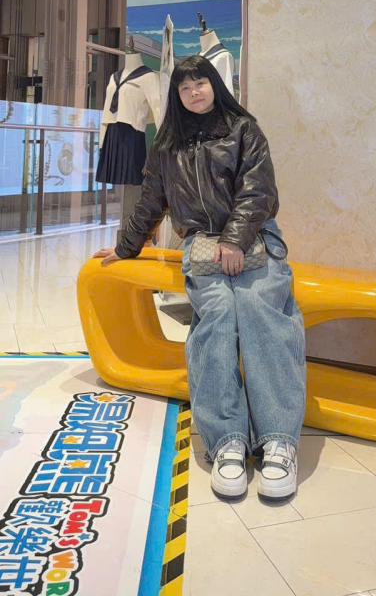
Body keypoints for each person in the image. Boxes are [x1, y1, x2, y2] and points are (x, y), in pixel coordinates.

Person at [94, 55, 306, 500]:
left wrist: (234, 238)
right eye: (185, 87)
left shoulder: (244, 129)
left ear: (215, 85)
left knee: (261, 312)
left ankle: (278, 441)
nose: (194, 92)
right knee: (216, 318)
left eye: (201, 83)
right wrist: (126, 247)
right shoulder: (167, 144)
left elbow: (259, 191)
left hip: (254, 237)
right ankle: (227, 440)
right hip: (202, 244)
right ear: (177, 95)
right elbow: (151, 200)